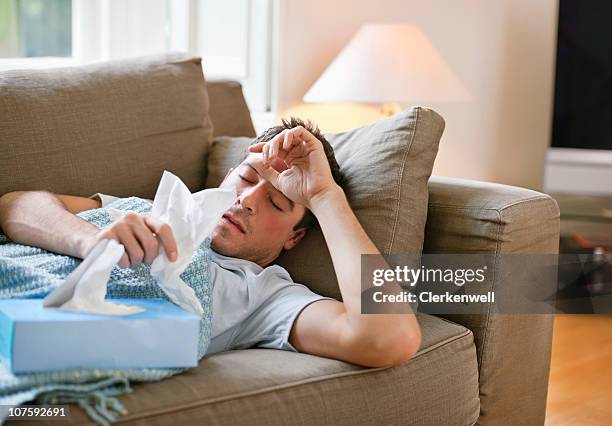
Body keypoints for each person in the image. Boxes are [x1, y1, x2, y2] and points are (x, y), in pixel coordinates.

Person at [0, 118, 421, 368]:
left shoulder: (266, 296)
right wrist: (88, 239)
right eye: (246, 178)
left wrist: (325, 198)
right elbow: (17, 204)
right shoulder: (149, 209)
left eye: (277, 201)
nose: (246, 201)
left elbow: (388, 338)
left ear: (294, 239)